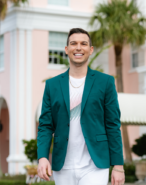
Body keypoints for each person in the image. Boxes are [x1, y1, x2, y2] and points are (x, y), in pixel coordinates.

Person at [37, 28, 125, 185]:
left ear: (90, 50)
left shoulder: (105, 82)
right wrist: (42, 157)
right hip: (63, 166)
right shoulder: (52, 85)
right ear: (67, 49)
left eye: (84, 44)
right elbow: (45, 126)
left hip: (95, 166)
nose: (78, 48)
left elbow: (112, 125)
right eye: (73, 43)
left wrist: (118, 165)